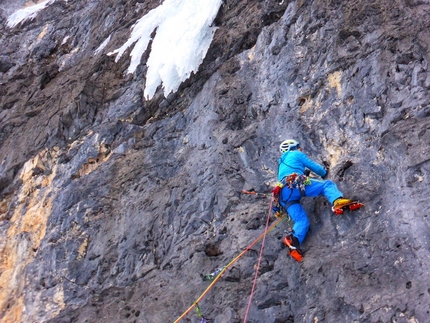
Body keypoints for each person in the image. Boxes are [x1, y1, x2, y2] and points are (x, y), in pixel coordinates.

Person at [272, 139, 353, 259]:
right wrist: (324, 172)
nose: (300, 149)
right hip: (295, 184)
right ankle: (337, 201)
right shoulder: (295, 154)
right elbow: (316, 168)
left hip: (283, 195)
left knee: (301, 220)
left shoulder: (281, 164)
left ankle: (294, 241)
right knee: (327, 185)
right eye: (299, 146)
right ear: (293, 147)